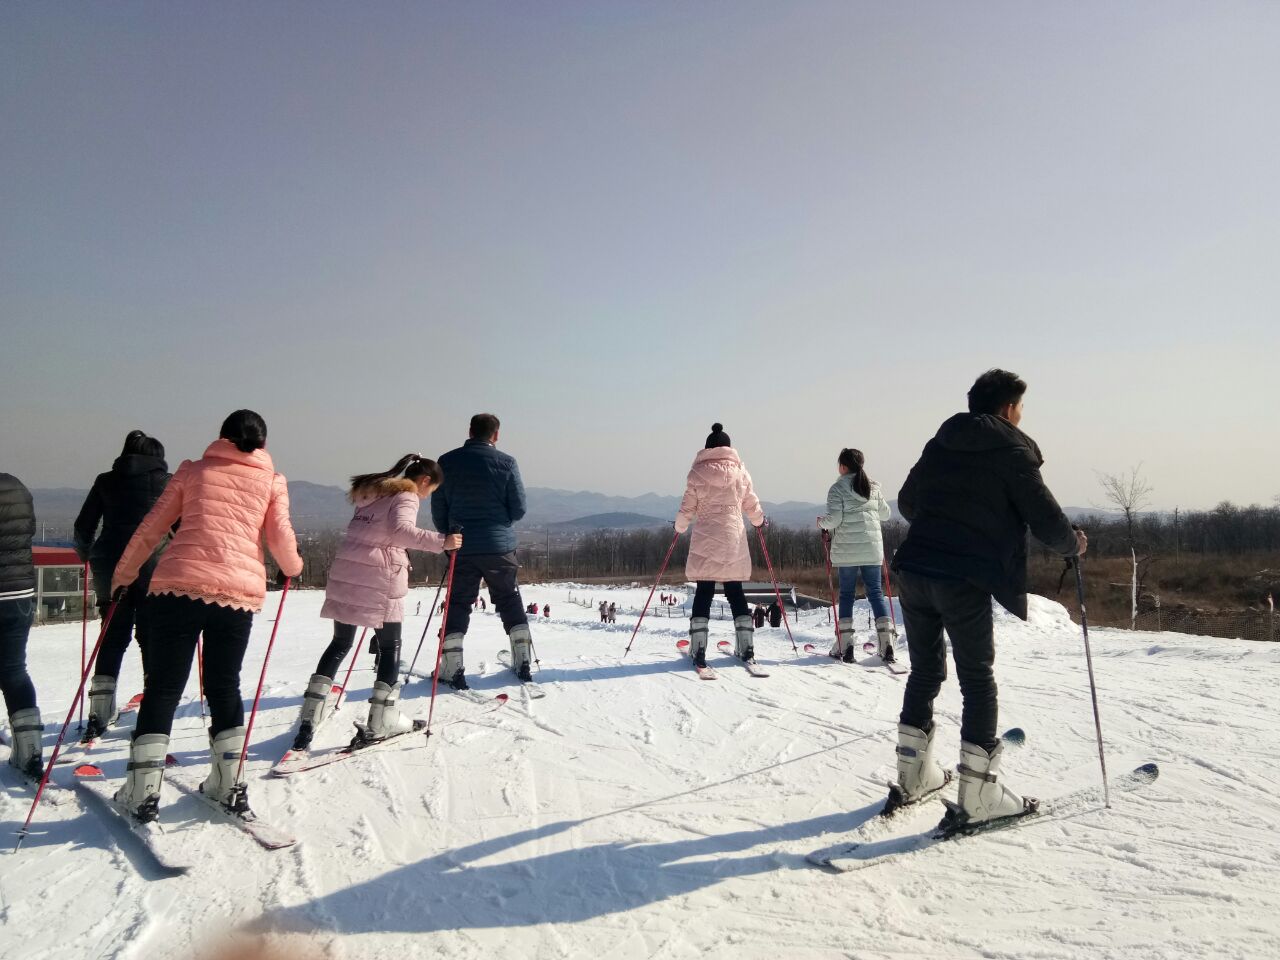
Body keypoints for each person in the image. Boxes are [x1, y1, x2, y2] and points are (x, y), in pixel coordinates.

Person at [887, 369, 1087, 828]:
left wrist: (944, 522)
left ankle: (913, 776)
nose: (1021, 416)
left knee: (925, 670)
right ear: (1007, 408)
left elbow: (908, 501)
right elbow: (1046, 519)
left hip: (915, 569)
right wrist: (1073, 546)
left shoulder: (941, 442)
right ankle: (979, 796)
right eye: (1020, 408)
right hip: (964, 576)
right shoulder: (1012, 450)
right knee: (977, 677)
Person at [109, 410, 304, 822]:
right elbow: (280, 536)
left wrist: (123, 576)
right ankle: (227, 784)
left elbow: (151, 528)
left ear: (221, 437)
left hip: (176, 587)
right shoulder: (272, 482)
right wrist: (293, 568)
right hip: (236, 594)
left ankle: (142, 792)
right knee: (224, 686)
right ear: (263, 444)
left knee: (163, 688)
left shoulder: (192, 472)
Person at [291, 455, 461, 752]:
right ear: (424, 481)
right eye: (431, 489)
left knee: (340, 642)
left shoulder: (376, 494)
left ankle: (309, 716)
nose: (427, 494)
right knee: (389, 646)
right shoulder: (407, 495)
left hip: (347, 571)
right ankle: (383, 720)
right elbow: (400, 532)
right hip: (379, 577)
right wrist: (442, 541)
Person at [73, 430, 171, 739]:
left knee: (113, 636)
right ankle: (151, 711)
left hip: (110, 563)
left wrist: (87, 553)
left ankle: (98, 714)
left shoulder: (106, 480)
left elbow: (83, 527)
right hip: (153, 566)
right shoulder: (166, 483)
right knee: (149, 637)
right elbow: (182, 527)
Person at [431, 413, 534, 687]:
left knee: (458, 602)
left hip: (461, 545)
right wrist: (500, 525)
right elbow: (519, 507)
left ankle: (452, 666)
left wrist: (448, 535)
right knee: (509, 598)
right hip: (499, 545)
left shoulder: (447, 461)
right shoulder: (507, 463)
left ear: (470, 431)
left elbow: (438, 507)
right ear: (496, 435)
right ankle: (523, 658)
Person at [674, 423, 765, 667]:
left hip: (706, 537)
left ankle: (699, 648)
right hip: (733, 538)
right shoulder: (740, 472)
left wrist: (679, 527)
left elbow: (687, 507)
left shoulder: (697, 473)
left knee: (704, 590)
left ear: (707, 449)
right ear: (728, 448)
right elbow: (751, 503)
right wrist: (759, 521)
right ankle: (746, 647)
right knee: (735, 591)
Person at [817, 448, 893, 663]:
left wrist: (821, 522)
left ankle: (845, 644)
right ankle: (886, 642)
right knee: (876, 593)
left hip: (848, 550)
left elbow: (834, 520)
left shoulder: (837, 488)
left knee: (847, 595)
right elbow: (886, 515)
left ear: (843, 466)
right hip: (871, 549)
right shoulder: (873, 487)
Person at [0, 472, 42, 780]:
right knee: (14, 670)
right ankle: (30, 751)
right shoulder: (17, 486)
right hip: (19, 592)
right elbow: (28, 530)